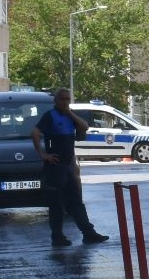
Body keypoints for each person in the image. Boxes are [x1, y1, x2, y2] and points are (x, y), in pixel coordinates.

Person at [31, 87, 110, 247]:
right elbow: (35, 132)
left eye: (68, 99)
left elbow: (84, 127)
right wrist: (43, 155)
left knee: (76, 202)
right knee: (56, 204)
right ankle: (57, 236)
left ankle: (88, 233)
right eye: (62, 99)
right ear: (56, 101)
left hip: (68, 166)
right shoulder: (49, 116)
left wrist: (70, 113)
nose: (65, 102)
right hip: (55, 166)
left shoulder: (70, 116)